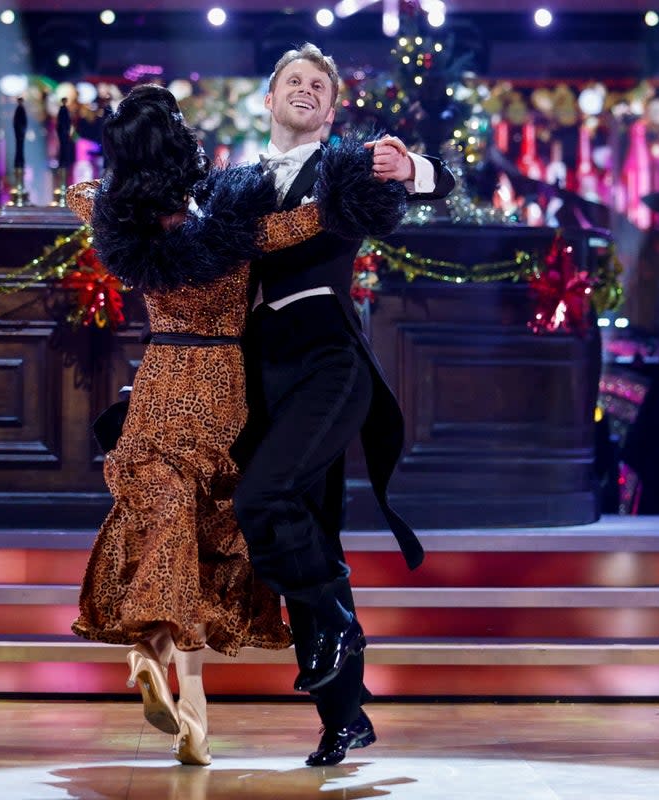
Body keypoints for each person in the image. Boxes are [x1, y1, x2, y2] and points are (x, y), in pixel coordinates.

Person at [65, 84, 407, 767]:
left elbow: (80, 192)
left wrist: (124, 186)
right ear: (188, 155)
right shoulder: (230, 233)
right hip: (218, 388)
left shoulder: (119, 224)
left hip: (159, 381)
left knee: (161, 527)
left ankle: (157, 663)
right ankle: (189, 703)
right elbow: (303, 224)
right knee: (209, 536)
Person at [232, 44, 456, 767]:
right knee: (309, 529)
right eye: (291, 81)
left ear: (331, 110)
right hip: (263, 370)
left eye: (316, 85)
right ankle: (345, 717)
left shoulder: (344, 167)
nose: (303, 90)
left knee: (264, 498)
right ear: (269, 101)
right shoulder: (236, 183)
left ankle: (335, 627)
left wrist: (410, 165)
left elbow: (436, 184)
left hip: (329, 359)